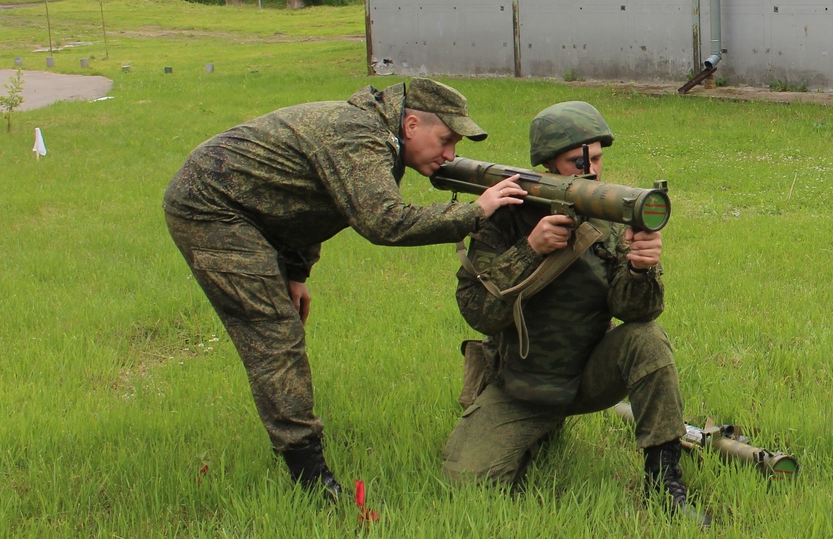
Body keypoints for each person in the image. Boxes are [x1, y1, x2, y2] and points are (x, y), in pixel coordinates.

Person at [162, 77, 525, 500]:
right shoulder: (359, 137)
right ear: (411, 125)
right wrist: (475, 212)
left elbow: (308, 202)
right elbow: (384, 221)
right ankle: (309, 475)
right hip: (210, 208)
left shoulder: (372, 133)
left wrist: (296, 272)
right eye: (446, 140)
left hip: (251, 211)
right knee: (273, 336)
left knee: (281, 326)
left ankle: (303, 454)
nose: (450, 155)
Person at [441, 101, 710, 526]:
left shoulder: (611, 216)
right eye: (578, 163)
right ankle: (536, 430)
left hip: (586, 375)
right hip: (521, 384)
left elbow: (635, 311)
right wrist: (531, 250)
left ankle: (664, 481)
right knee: (468, 485)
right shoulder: (505, 215)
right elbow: (479, 312)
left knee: (648, 339)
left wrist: (641, 268)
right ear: (547, 164)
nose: (592, 172)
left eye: (597, 159)